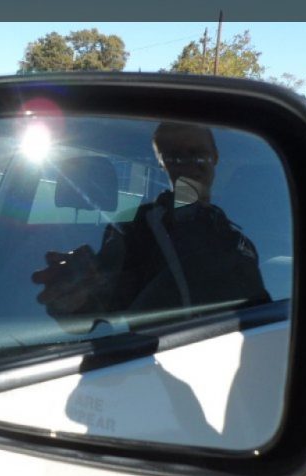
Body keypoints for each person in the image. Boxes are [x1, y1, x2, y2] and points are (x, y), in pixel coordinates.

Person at [31, 122, 271, 326]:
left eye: (199, 154)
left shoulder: (238, 238)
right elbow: (105, 303)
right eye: (175, 157)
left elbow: (260, 309)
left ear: (215, 157)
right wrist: (73, 298)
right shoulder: (134, 228)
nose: (189, 164)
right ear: (162, 163)